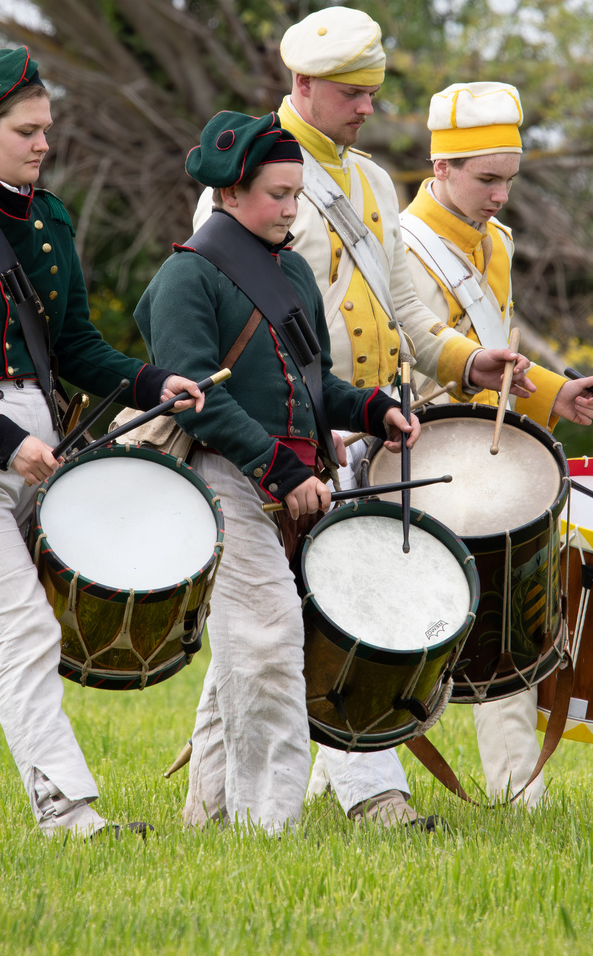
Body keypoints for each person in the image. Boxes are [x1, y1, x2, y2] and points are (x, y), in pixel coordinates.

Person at [191, 7, 533, 827]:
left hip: (364, 427)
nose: (368, 108)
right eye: (351, 93)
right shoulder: (240, 181)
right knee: (292, 619)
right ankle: (371, 796)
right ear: (302, 86)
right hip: (284, 435)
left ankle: (211, 808)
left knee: (294, 620)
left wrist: (462, 361)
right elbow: (216, 315)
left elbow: (405, 307)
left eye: (373, 92)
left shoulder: (374, 182)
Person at [0, 46, 204, 838]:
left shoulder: (50, 221)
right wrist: (0, 442)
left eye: (46, 128)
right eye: (25, 130)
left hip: (31, 459)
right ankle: (66, 815)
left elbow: (80, 348)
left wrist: (156, 384)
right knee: (23, 625)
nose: (42, 144)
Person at [139, 110, 420, 833]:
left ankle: (209, 815)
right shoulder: (186, 277)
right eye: (277, 194)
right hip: (227, 475)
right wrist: (280, 468)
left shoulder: (291, 267)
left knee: (247, 644)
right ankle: (271, 826)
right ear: (230, 194)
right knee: (267, 641)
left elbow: (312, 381)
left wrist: (372, 406)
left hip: (290, 480)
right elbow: (196, 399)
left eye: (297, 193)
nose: (292, 208)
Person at [398, 80, 593, 806]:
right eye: (487, 179)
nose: (500, 196)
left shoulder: (498, 244)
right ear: (442, 168)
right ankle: (355, 779)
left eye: (510, 180)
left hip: (485, 459)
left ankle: (520, 794)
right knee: (398, 631)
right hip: (417, 455)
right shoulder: (404, 246)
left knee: (509, 630)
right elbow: (428, 353)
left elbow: (493, 350)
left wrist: (553, 391)